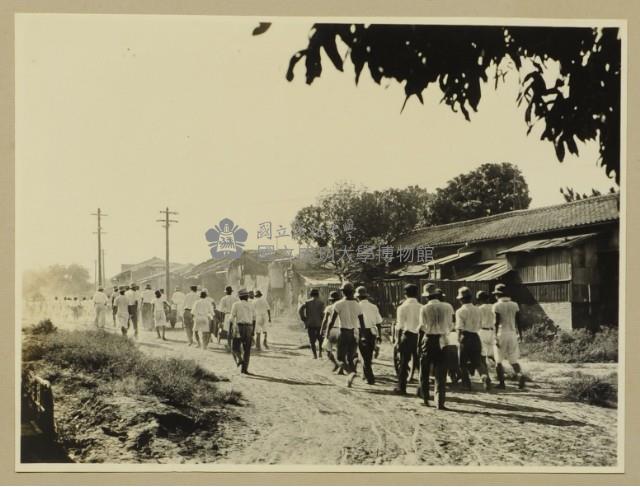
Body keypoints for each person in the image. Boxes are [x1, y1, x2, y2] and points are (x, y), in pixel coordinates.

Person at [419, 286, 453, 410]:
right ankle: (440, 402)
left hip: (429, 339)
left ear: (427, 296)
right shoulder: (448, 307)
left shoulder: (424, 308)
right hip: (443, 340)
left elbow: (422, 327)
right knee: (441, 372)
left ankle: (425, 398)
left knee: (425, 370)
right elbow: (450, 325)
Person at [327, 282, 366, 388]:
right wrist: (363, 336)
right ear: (352, 292)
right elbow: (362, 323)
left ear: (343, 292)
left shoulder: (338, 304)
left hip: (343, 332)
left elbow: (331, 321)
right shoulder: (357, 305)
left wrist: (327, 333)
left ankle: (350, 372)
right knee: (350, 357)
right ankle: (350, 377)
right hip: (354, 333)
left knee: (339, 358)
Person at [455, 286, 491, 391]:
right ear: (470, 298)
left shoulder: (460, 311)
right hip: (476, 336)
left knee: (462, 363)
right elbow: (480, 324)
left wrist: (458, 339)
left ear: (462, 299)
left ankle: (466, 384)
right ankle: (484, 377)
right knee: (477, 361)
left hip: (465, 337)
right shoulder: (478, 310)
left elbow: (459, 327)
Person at [492, 283, 526, 389]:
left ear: (498, 294)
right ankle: (520, 375)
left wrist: (494, 336)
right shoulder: (514, 305)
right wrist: (520, 335)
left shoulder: (496, 305)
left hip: (501, 333)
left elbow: (496, 322)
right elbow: (518, 321)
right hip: (512, 334)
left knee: (498, 360)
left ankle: (502, 383)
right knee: (513, 359)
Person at [394, 284, 422, 395]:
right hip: (419, 337)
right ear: (417, 294)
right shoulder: (422, 307)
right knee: (420, 363)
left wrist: (397, 340)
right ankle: (421, 389)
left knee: (404, 362)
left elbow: (399, 326)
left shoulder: (402, 307)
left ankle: (402, 388)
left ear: (405, 294)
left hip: (407, 336)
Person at [356, 286, 382, 385]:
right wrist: (379, 335)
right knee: (368, 355)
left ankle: (370, 378)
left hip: (361, 332)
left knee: (363, 355)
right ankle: (365, 374)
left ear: (358, 297)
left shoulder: (357, 306)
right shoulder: (373, 306)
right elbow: (379, 322)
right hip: (372, 332)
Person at [230, 288, 256, 374]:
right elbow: (254, 319)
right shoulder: (251, 305)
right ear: (247, 297)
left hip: (239, 328)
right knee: (247, 350)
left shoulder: (236, 304)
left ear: (240, 297)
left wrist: (230, 329)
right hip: (249, 327)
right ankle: (244, 369)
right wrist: (253, 331)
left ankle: (240, 360)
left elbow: (231, 318)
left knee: (234, 347)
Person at [298, 288, 325, 359]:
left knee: (312, 340)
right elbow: (323, 314)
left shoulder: (307, 302)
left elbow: (300, 310)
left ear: (311, 294)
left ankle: (314, 355)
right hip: (319, 323)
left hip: (310, 323)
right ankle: (320, 353)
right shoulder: (321, 303)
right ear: (318, 295)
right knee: (320, 339)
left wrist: (303, 318)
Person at [320, 290, 342, 372]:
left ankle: (336, 364)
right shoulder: (341, 306)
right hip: (340, 329)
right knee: (340, 350)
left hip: (331, 330)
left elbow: (325, 320)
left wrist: (322, 329)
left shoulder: (329, 308)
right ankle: (341, 368)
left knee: (327, 349)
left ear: (330, 300)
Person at [476, 290, 497, 372]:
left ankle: (486, 373)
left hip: (483, 331)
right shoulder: (493, 306)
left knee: (482, 355)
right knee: (493, 353)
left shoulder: (479, 309)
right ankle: (501, 370)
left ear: (479, 299)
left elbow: (477, 322)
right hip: (493, 331)